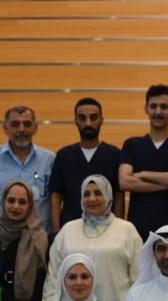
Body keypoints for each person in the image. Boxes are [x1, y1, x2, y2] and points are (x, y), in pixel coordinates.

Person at [44, 174, 142, 301]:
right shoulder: (68, 230)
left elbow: (139, 278)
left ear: (108, 196)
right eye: (86, 194)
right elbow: (53, 277)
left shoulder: (127, 230)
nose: (92, 199)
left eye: (98, 193)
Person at [120, 84, 168, 237]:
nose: (158, 112)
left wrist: (143, 174)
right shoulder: (131, 145)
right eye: (153, 106)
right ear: (146, 109)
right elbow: (125, 182)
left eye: (164, 107)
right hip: (138, 233)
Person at [0, 105, 55, 230]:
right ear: (5, 128)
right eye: (15, 124)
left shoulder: (49, 160)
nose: (21, 129)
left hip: (37, 238)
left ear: (35, 128)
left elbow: (56, 200)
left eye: (27, 124)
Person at [48, 97, 124, 236]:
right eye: (82, 118)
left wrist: (118, 229)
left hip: (106, 231)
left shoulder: (114, 154)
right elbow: (56, 196)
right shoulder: (64, 155)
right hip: (71, 232)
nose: (88, 123)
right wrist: (56, 231)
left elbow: (118, 195)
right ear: (76, 121)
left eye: (93, 118)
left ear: (101, 120)